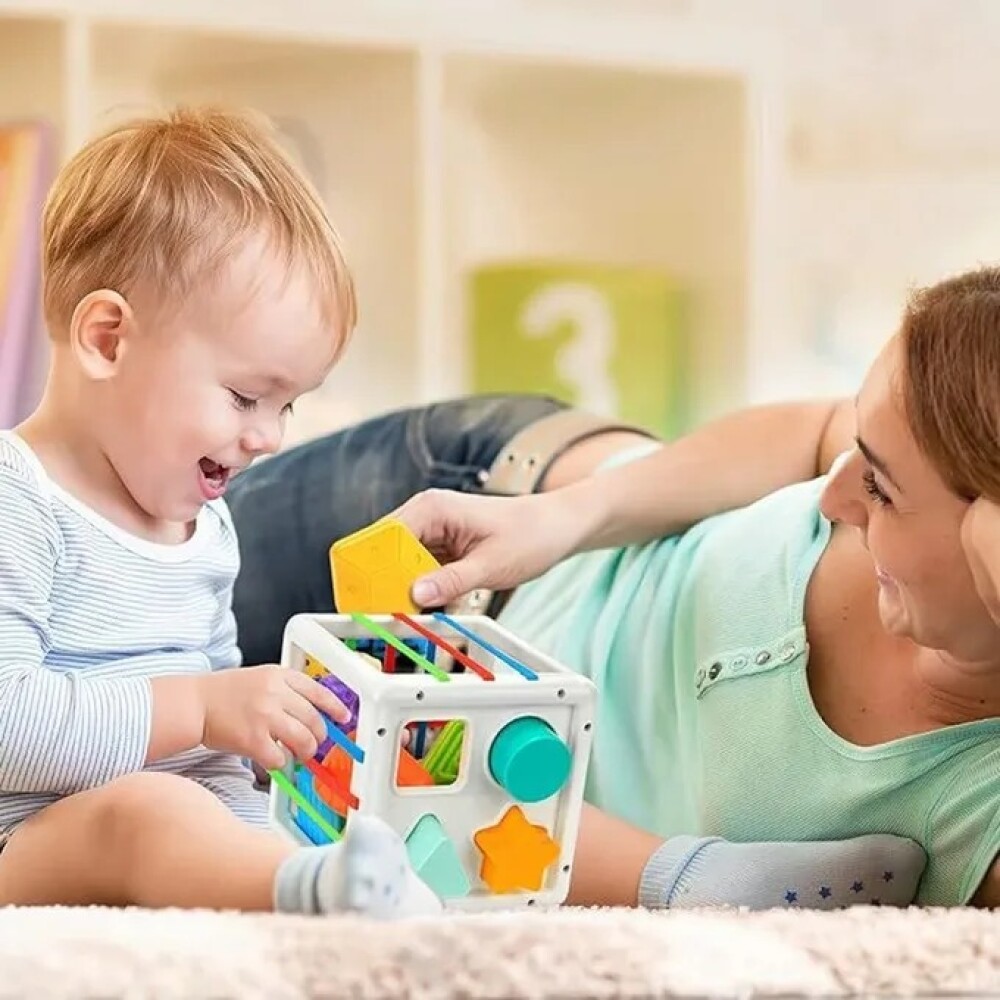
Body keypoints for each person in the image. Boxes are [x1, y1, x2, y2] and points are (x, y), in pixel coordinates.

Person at [225, 267, 1000, 911]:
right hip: (483, 502)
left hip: (431, 756)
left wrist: (676, 877)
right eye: (855, 461)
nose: (835, 500)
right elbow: (815, 432)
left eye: (884, 492)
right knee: (117, 630)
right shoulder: (888, 454)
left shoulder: (981, 801)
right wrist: (557, 519)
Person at [0, 107, 441, 919]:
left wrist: (266, 743)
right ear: (106, 339)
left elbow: (217, 703)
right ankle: (304, 897)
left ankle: (331, 886)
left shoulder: (204, 522)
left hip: (182, 808)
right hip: (29, 841)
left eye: (287, 406)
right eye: (245, 396)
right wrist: (204, 709)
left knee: (339, 801)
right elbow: (8, 723)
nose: (269, 437)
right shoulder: (17, 500)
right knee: (147, 814)